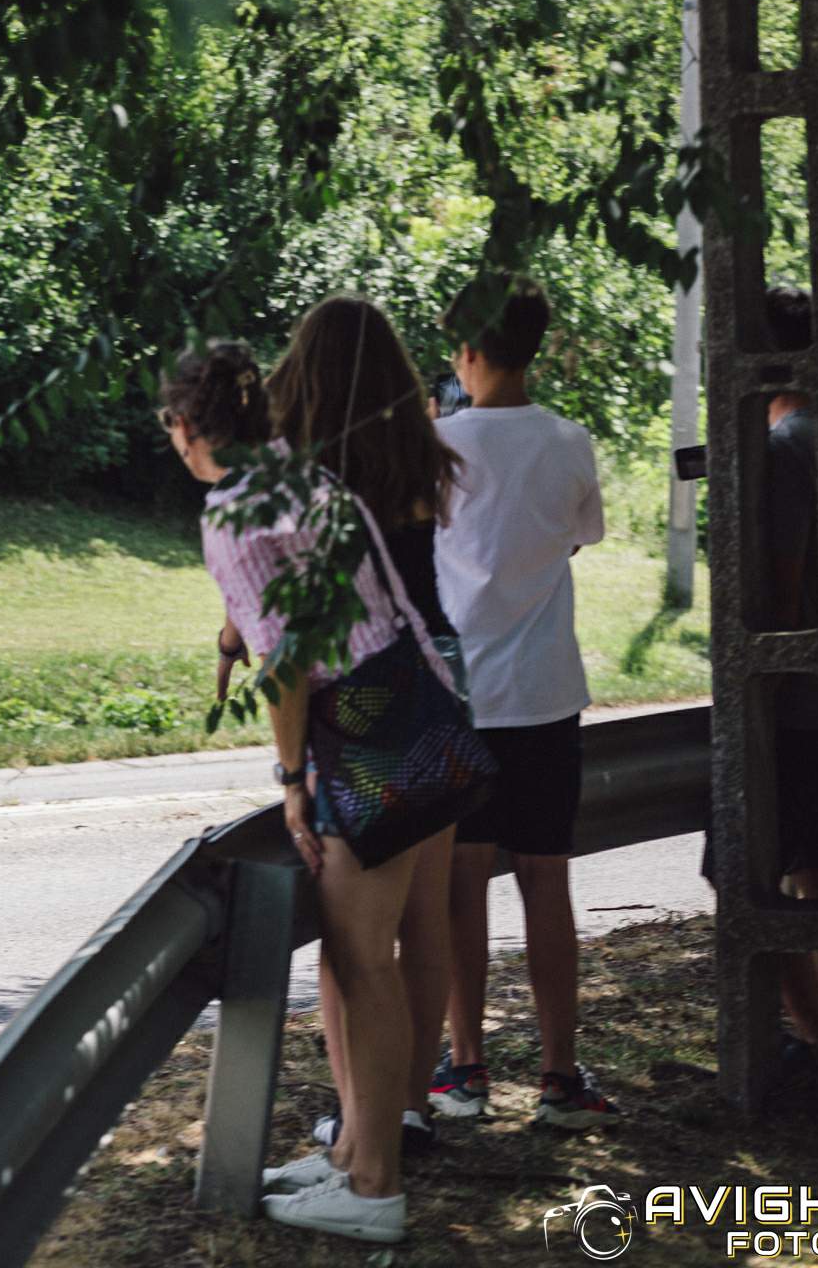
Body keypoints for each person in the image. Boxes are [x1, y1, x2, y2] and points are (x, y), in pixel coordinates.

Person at [167, 331, 453, 1245]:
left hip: (359, 729)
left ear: (186, 428)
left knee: (363, 962)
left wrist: (292, 779)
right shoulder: (306, 481)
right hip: (413, 706)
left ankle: (373, 1188)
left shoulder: (232, 515)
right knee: (356, 956)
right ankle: (352, 1157)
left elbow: (287, 664)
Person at [260, 297, 465, 1165]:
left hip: (360, 693)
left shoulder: (298, 477)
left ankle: (358, 1129)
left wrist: (290, 770)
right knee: (426, 916)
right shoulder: (421, 450)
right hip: (439, 670)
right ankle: (408, 1109)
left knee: (351, 939)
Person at [428, 274, 614, 1129]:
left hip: (462, 700)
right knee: (547, 883)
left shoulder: (436, 447)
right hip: (545, 695)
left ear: (468, 351)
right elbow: (578, 538)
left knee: (463, 888)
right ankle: (559, 1077)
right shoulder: (570, 441)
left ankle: (466, 1070)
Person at [755, 286, 818, 1079]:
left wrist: (764, 693)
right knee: (816, 870)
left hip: (802, 703)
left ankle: (817, 1040)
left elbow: (783, 585)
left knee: (754, 870)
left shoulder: (786, 450)